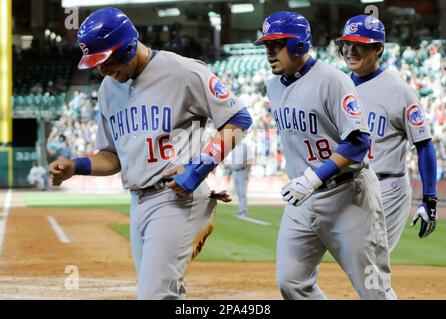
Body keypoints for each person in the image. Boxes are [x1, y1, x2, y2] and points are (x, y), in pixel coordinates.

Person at [49, 7, 251, 300]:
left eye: (105, 61)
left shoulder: (183, 71)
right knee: (166, 292)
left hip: (178, 199)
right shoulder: (109, 89)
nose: (102, 71)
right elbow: (112, 157)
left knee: (155, 295)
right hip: (138, 202)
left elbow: (238, 119)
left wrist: (197, 169)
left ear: (129, 46)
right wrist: (76, 166)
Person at [254, 11, 395, 299]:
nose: (269, 53)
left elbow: (358, 143)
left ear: (298, 45)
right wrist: (306, 182)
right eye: (267, 46)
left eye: (276, 45)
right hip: (302, 199)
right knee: (291, 282)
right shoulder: (272, 86)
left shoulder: (332, 81)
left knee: (373, 289)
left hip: (347, 195)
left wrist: (314, 178)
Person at [337, 15, 438, 252]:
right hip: (349, 186)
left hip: (387, 187)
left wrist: (429, 199)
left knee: (371, 264)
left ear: (379, 48)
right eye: (347, 44)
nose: (351, 50)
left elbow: (424, 145)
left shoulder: (400, 91)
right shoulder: (339, 86)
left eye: (359, 44)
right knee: (355, 261)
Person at [229, 136, 254, 218]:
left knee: (242, 192)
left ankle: (243, 210)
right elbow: (232, 162)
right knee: (238, 192)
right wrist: (229, 174)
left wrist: (247, 172)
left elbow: (250, 161)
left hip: (242, 171)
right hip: (235, 171)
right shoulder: (233, 148)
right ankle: (240, 210)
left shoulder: (245, 147)